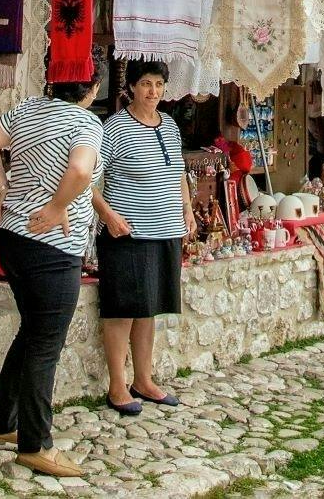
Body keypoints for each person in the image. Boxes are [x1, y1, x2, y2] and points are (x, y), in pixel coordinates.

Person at [0, 76, 102, 479]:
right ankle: (36, 444)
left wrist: (5, 184)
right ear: (93, 88)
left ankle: (0, 424)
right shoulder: (85, 123)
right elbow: (81, 169)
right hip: (53, 246)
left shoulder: (28, 108)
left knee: (31, 333)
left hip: (13, 237)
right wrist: (57, 206)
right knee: (46, 343)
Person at [92, 61, 194, 415]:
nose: (153, 91)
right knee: (123, 310)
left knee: (148, 308)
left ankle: (144, 380)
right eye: (146, 84)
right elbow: (88, 178)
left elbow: (178, 170)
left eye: (159, 84)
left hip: (165, 231)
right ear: (131, 88)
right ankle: (117, 386)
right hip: (128, 233)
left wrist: (187, 209)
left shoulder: (170, 125)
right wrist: (108, 215)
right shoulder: (114, 127)